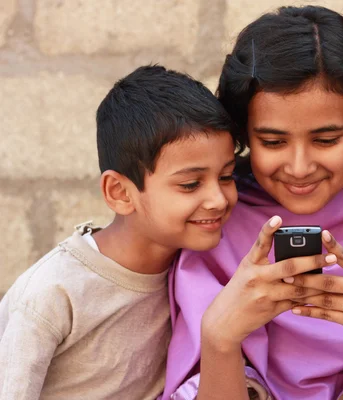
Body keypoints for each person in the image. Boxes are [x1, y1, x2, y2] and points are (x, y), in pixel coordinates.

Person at [164, 6, 343, 400]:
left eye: (325, 140)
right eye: (273, 142)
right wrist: (219, 339)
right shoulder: (215, 221)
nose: (300, 168)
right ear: (244, 132)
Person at [0, 65, 238, 399]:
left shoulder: (195, 273)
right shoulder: (52, 295)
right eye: (190, 184)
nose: (217, 199)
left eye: (227, 176)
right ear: (120, 193)